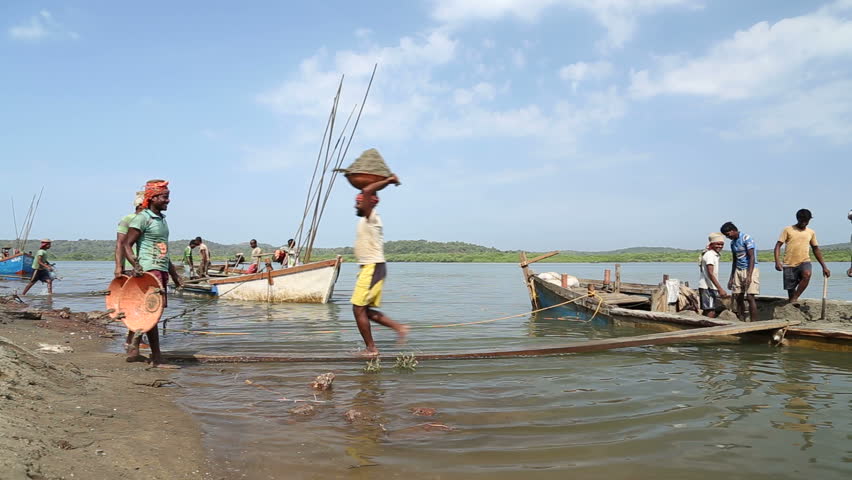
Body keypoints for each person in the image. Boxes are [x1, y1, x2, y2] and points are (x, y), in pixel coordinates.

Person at [123, 179, 183, 368]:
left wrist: (174, 275)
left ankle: (134, 349)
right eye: (165, 197)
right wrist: (136, 264)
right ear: (153, 197)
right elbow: (126, 244)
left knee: (149, 311)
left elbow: (164, 250)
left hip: (161, 268)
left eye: (168, 197)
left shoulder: (162, 220)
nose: (168, 201)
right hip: (150, 270)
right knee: (153, 312)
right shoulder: (143, 218)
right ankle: (156, 358)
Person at [350, 174, 408, 356]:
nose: (356, 205)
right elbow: (365, 191)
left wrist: (389, 181)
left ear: (369, 204)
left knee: (358, 309)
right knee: (363, 310)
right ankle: (399, 328)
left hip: (373, 267)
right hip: (370, 268)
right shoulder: (365, 219)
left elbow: (367, 190)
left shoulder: (371, 216)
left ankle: (371, 349)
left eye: (359, 203)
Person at [773, 209, 831, 303]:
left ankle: (795, 298)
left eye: (806, 221)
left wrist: (824, 267)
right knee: (791, 290)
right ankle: (792, 301)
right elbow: (778, 246)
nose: (804, 223)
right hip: (789, 263)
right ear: (797, 219)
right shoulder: (788, 230)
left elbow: (815, 249)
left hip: (804, 261)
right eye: (802, 221)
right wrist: (777, 261)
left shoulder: (811, 232)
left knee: (807, 274)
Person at [721, 222, 759, 322]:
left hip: (750, 269)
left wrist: (749, 275)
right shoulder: (732, 243)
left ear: (733, 230)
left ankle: (753, 322)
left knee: (750, 297)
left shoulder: (746, 238)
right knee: (738, 296)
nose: (727, 237)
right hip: (738, 270)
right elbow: (735, 260)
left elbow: (752, 257)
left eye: (727, 234)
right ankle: (741, 319)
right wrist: (731, 278)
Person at [114, 191, 145, 278]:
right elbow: (120, 243)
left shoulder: (150, 220)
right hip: (130, 266)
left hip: (146, 264)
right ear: (140, 205)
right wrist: (118, 266)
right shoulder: (128, 219)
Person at [698, 232, 729, 318]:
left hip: (710, 286)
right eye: (717, 244)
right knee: (710, 310)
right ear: (712, 244)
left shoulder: (713, 254)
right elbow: (710, 273)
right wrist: (720, 289)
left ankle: (702, 327)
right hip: (707, 287)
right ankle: (708, 329)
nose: (720, 246)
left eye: (721, 244)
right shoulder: (710, 255)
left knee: (707, 309)